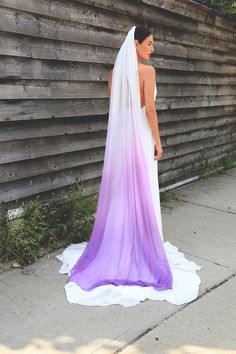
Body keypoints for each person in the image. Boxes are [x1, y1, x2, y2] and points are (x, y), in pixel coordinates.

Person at [56, 25, 201, 307]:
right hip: (140, 139)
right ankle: (142, 247)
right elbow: (148, 110)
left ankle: (118, 242)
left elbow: (118, 111)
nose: (152, 48)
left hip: (122, 142)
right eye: (149, 43)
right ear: (134, 44)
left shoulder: (114, 74)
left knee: (122, 192)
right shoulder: (148, 72)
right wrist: (157, 141)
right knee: (143, 189)